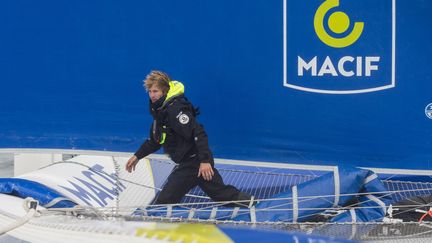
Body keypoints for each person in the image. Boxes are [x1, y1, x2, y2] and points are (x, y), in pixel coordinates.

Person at [126, 70, 252, 207]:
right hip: (193, 162)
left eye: (155, 91)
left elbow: (198, 133)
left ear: (164, 91)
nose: (152, 95)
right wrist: (137, 156)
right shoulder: (161, 112)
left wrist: (204, 161)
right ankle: (253, 204)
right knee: (221, 193)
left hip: (193, 163)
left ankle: (157, 223)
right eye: (150, 92)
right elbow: (156, 141)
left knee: (164, 202)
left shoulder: (174, 110)